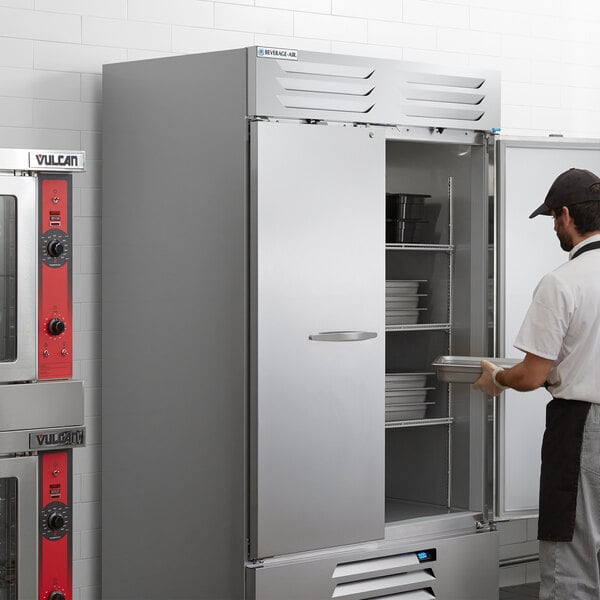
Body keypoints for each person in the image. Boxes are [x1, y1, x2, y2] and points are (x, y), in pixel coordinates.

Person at [473, 167, 600, 600]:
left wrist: (498, 378)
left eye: (552, 218)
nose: (554, 228)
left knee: (572, 560)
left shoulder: (563, 281)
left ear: (566, 215)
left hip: (583, 427)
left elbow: (531, 375)